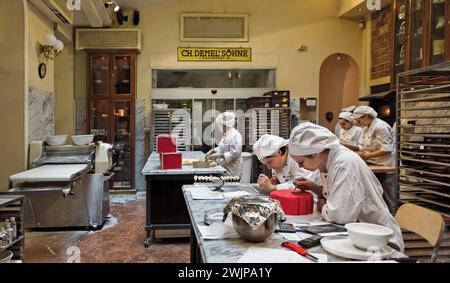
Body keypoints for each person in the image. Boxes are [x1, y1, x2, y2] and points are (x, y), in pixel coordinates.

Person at [289, 122, 404, 251]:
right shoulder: (326, 160)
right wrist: (316, 188)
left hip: (378, 241)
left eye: (300, 162)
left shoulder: (344, 164)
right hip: (357, 235)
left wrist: (322, 205)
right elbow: (335, 197)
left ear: (315, 152)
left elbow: (340, 216)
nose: (299, 167)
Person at [350, 106, 396, 214]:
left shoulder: (381, 127)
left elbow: (387, 149)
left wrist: (367, 156)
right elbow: (364, 147)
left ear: (366, 116)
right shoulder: (366, 128)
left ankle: (393, 220)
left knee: (389, 196)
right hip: (375, 164)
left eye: (359, 120)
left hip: (387, 165)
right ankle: (380, 217)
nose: (358, 122)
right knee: (378, 193)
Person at [252, 134, 321, 194]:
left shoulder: (296, 156)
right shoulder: (278, 161)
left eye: (269, 162)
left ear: (279, 152)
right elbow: (280, 180)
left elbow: (303, 184)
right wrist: (273, 181)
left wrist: (273, 187)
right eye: (265, 164)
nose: (269, 168)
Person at [205, 112, 242, 176]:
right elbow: (222, 147)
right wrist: (213, 151)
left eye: (218, 124)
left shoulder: (234, 135)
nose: (217, 126)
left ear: (225, 124)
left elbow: (234, 153)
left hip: (231, 172)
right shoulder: (226, 134)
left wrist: (218, 156)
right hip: (224, 169)